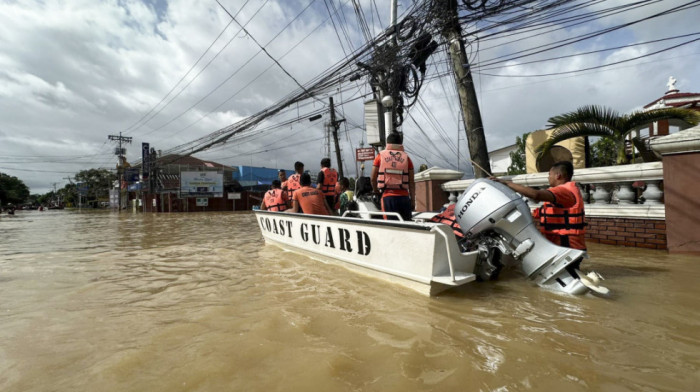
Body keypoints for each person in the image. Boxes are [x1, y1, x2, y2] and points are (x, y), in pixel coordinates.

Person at [490, 161, 586, 250]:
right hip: (561, 243)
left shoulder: (563, 191)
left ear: (558, 176)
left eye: (549, 174)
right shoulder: (562, 193)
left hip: (567, 244)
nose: (548, 177)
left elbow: (536, 195)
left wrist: (508, 183)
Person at [371, 132, 415, 221]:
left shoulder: (380, 156)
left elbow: (372, 178)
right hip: (404, 198)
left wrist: (376, 191)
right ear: (400, 143)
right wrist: (413, 201)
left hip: (388, 197)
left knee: (391, 226)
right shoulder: (407, 158)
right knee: (407, 226)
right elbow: (411, 182)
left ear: (387, 143)